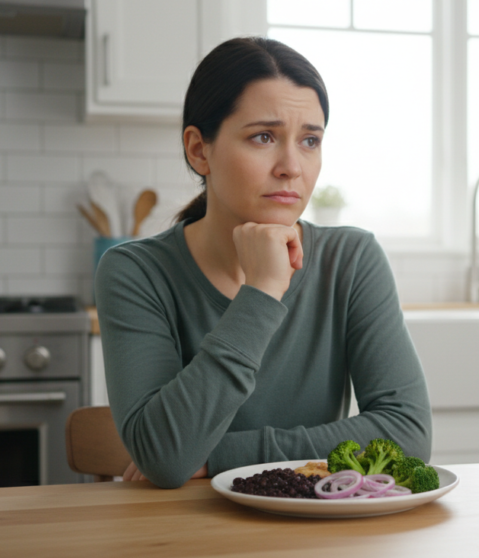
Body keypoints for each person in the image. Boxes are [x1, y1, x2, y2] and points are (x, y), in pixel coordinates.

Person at [94, 37, 432, 488]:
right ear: (199, 150)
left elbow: (407, 435)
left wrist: (220, 455)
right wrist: (262, 291)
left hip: (316, 537)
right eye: (264, 137)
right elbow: (167, 457)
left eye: (310, 140)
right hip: (181, 541)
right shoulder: (135, 273)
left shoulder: (350, 259)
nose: (292, 166)